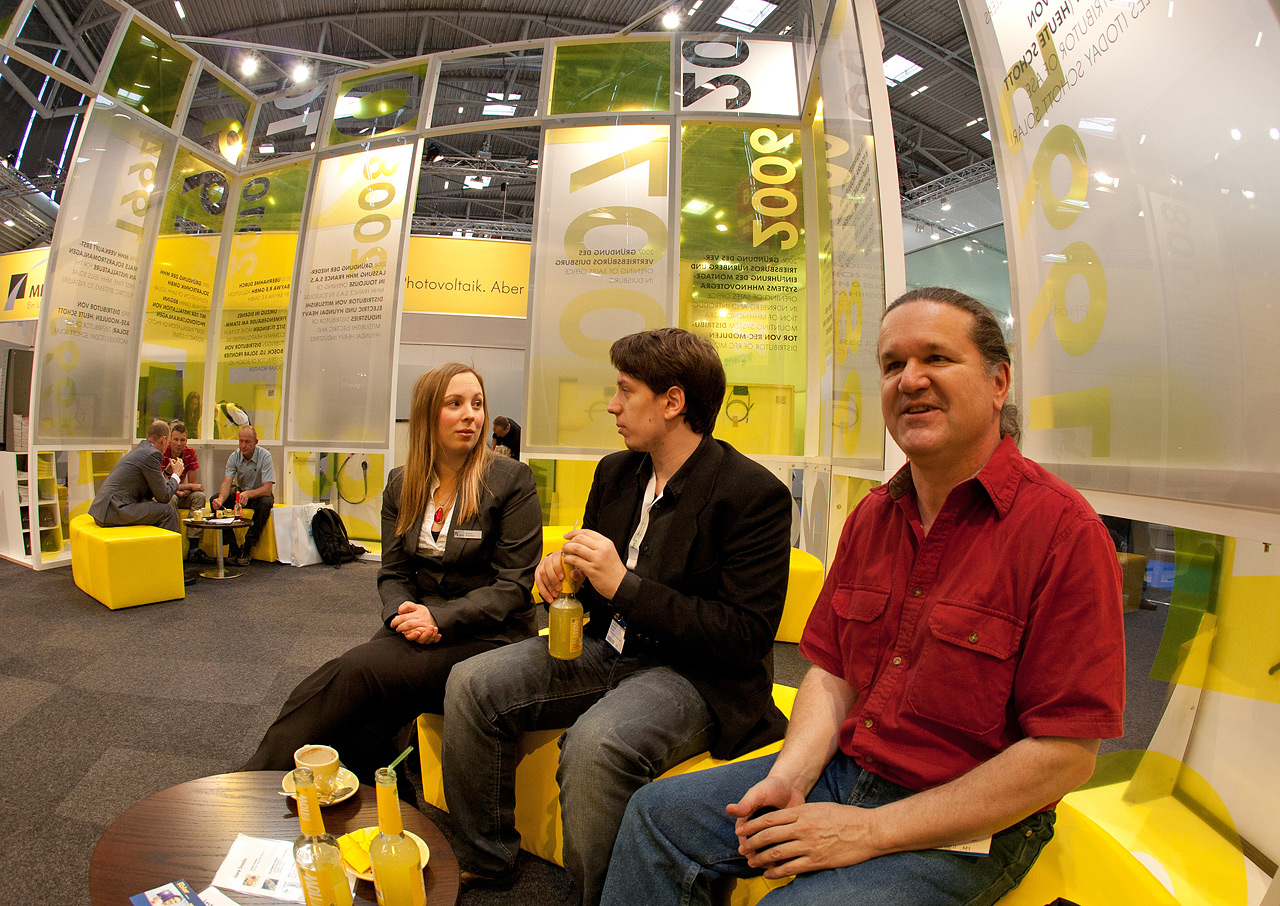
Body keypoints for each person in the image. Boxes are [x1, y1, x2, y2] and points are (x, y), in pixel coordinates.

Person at [600, 288, 1127, 906]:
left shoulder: (1064, 533)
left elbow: (1065, 754)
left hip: (970, 819)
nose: (911, 380)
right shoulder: (874, 516)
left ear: (998, 383)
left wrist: (868, 831)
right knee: (656, 816)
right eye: (892, 364)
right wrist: (790, 776)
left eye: (937, 357)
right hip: (849, 768)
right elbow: (832, 672)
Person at [442, 328, 793, 905]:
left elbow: (743, 636)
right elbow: (593, 581)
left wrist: (623, 585)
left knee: (596, 746)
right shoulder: (616, 472)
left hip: (694, 674)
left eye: (626, 390)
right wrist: (565, 572)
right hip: (605, 645)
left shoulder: (753, 494)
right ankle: (486, 857)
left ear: (673, 402)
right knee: (471, 682)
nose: (612, 404)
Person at [241, 363, 542, 783]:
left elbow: (513, 586)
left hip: (491, 634)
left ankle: (250, 782)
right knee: (361, 722)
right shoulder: (402, 484)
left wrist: (439, 618)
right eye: (454, 404)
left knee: (356, 671)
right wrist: (404, 611)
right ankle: (387, 809)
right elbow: (393, 572)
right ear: (427, 415)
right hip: (419, 621)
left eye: (477, 404)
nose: (470, 415)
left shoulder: (510, 480)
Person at [89, 420, 185, 533]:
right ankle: (167, 545)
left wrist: (167, 473)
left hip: (105, 509)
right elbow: (164, 497)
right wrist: (176, 475)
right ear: (164, 440)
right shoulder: (152, 454)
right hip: (114, 510)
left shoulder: (143, 449)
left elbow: (152, 492)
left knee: (153, 505)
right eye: (168, 442)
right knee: (167, 511)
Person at [210, 425, 274, 567]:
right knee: (214, 500)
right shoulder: (234, 456)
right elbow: (227, 483)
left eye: (247, 442)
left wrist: (249, 494)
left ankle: (248, 546)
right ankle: (232, 545)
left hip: (258, 495)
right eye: (241, 441)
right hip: (241, 494)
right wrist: (220, 499)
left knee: (265, 503)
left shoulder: (265, 456)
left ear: (255, 442)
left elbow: (267, 489)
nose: (243, 446)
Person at [162, 420, 208, 562]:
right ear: (170, 440)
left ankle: (193, 548)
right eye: (175, 439)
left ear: (186, 441)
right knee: (171, 498)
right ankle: (173, 541)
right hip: (167, 493)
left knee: (199, 496)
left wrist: (186, 490)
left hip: (181, 492)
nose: (179, 443)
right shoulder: (163, 453)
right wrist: (185, 488)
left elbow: (193, 484)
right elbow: (162, 483)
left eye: (182, 440)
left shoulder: (190, 453)